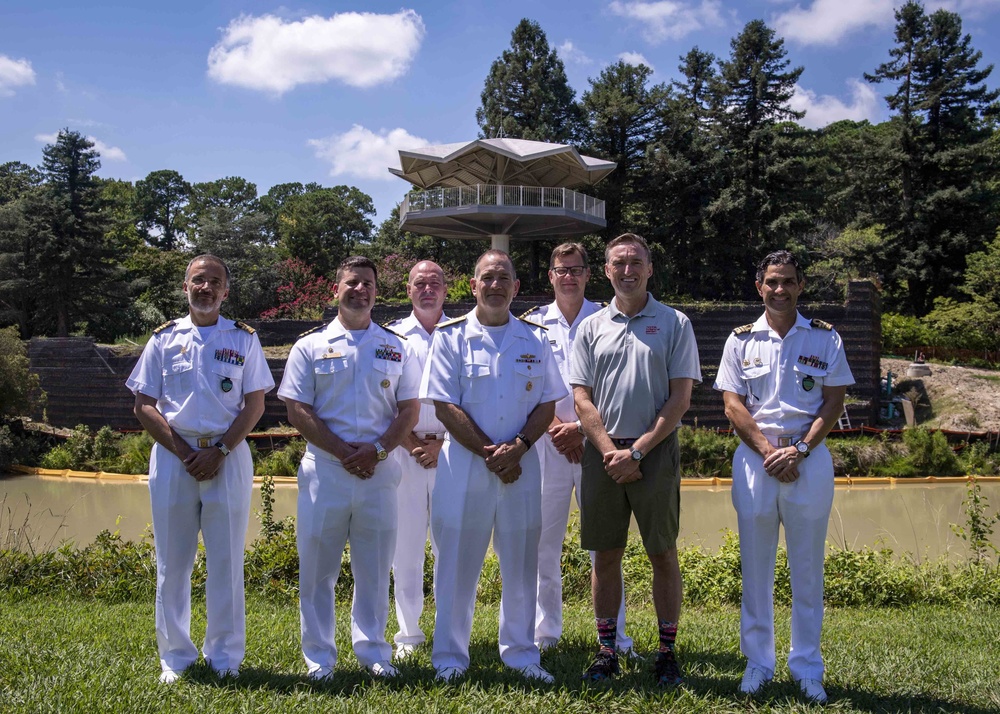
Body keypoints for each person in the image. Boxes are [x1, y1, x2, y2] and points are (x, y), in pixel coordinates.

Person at [126, 254, 275, 684]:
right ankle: (175, 658)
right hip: (174, 458)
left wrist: (220, 451)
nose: (205, 288)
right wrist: (184, 451)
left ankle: (225, 657)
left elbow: (255, 404)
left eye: (214, 281)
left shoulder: (244, 339)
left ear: (226, 291)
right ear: (185, 287)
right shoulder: (163, 339)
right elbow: (144, 405)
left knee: (226, 560)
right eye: (197, 280)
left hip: (227, 457)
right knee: (172, 562)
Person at [714, 250, 854, 704]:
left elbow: (834, 402)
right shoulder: (740, 340)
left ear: (801, 286)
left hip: (807, 457)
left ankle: (807, 666)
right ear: (759, 286)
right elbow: (733, 404)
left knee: (807, 569)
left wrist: (800, 449)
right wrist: (769, 451)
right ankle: (758, 663)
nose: (780, 289)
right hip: (756, 458)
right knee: (756, 567)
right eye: (772, 281)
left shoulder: (825, 338)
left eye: (788, 281)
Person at [421, 249, 565, 684]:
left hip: (521, 468)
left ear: (516, 287)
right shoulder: (449, 337)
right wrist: (492, 453)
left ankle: (521, 653)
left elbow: (547, 402)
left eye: (504, 277)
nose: (496, 285)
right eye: (487, 277)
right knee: (456, 566)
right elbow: (445, 407)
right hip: (465, 469)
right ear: (473, 285)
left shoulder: (536, 340)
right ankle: (449, 656)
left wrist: (518, 448)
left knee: (521, 564)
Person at [277, 255, 421, 681]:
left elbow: (409, 410)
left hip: (379, 471)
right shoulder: (310, 346)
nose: (360, 289)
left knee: (375, 568)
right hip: (326, 470)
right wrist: (343, 451)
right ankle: (319, 658)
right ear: (335, 290)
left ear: (378, 291)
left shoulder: (397, 346)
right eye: (352, 282)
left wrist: (376, 451)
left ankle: (375, 652)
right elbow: (296, 409)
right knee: (318, 570)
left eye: (368, 284)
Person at [570, 233, 701, 686]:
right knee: (605, 554)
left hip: (655, 451)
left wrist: (638, 450)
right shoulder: (589, 327)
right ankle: (607, 650)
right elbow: (581, 399)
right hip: (602, 454)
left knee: (662, 551)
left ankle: (667, 652)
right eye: (618, 263)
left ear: (649, 268)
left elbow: (680, 398)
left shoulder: (674, 323)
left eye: (636, 262)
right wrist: (610, 452)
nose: (627, 270)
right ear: (606, 270)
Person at [524, 242, 633, 655]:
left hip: (597, 445)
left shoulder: (611, 319)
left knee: (606, 547)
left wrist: (582, 431)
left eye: (576, 269)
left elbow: (618, 386)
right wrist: (557, 428)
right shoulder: (532, 326)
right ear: (550, 276)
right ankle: (545, 634)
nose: (568, 276)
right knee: (543, 546)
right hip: (546, 447)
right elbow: (527, 387)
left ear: (590, 274)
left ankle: (616, 637)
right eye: (560, 269)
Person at [385, 260, 449, 659]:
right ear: (408, 290)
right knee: (405, 548)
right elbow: (384, 399)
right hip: (403, 453)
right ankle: (408, 636)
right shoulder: (390, 337)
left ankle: (448, 631)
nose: (428, 289)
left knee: (450, 547)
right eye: (420, 283)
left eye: (435, 283)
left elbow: (469, 395)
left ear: (447, 289)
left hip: (453, 451)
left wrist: (441, 446)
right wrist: (411, 445)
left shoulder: (462, 334)